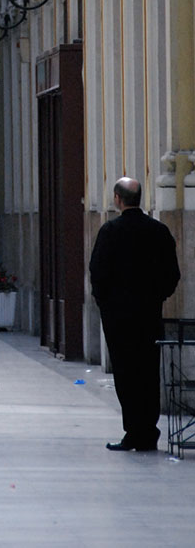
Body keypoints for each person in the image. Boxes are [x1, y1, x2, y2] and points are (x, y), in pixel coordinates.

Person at [89, 176, 180, 452]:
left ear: (118, 199)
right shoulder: (159, 231)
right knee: (148, 372)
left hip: (118, 318)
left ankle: (133, 432)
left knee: (126, 373)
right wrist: (157, 297)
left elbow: (98, 273)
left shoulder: (110, 231)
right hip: (149, 314)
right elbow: (172, 274)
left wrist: (106, 304)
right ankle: (148, 432)